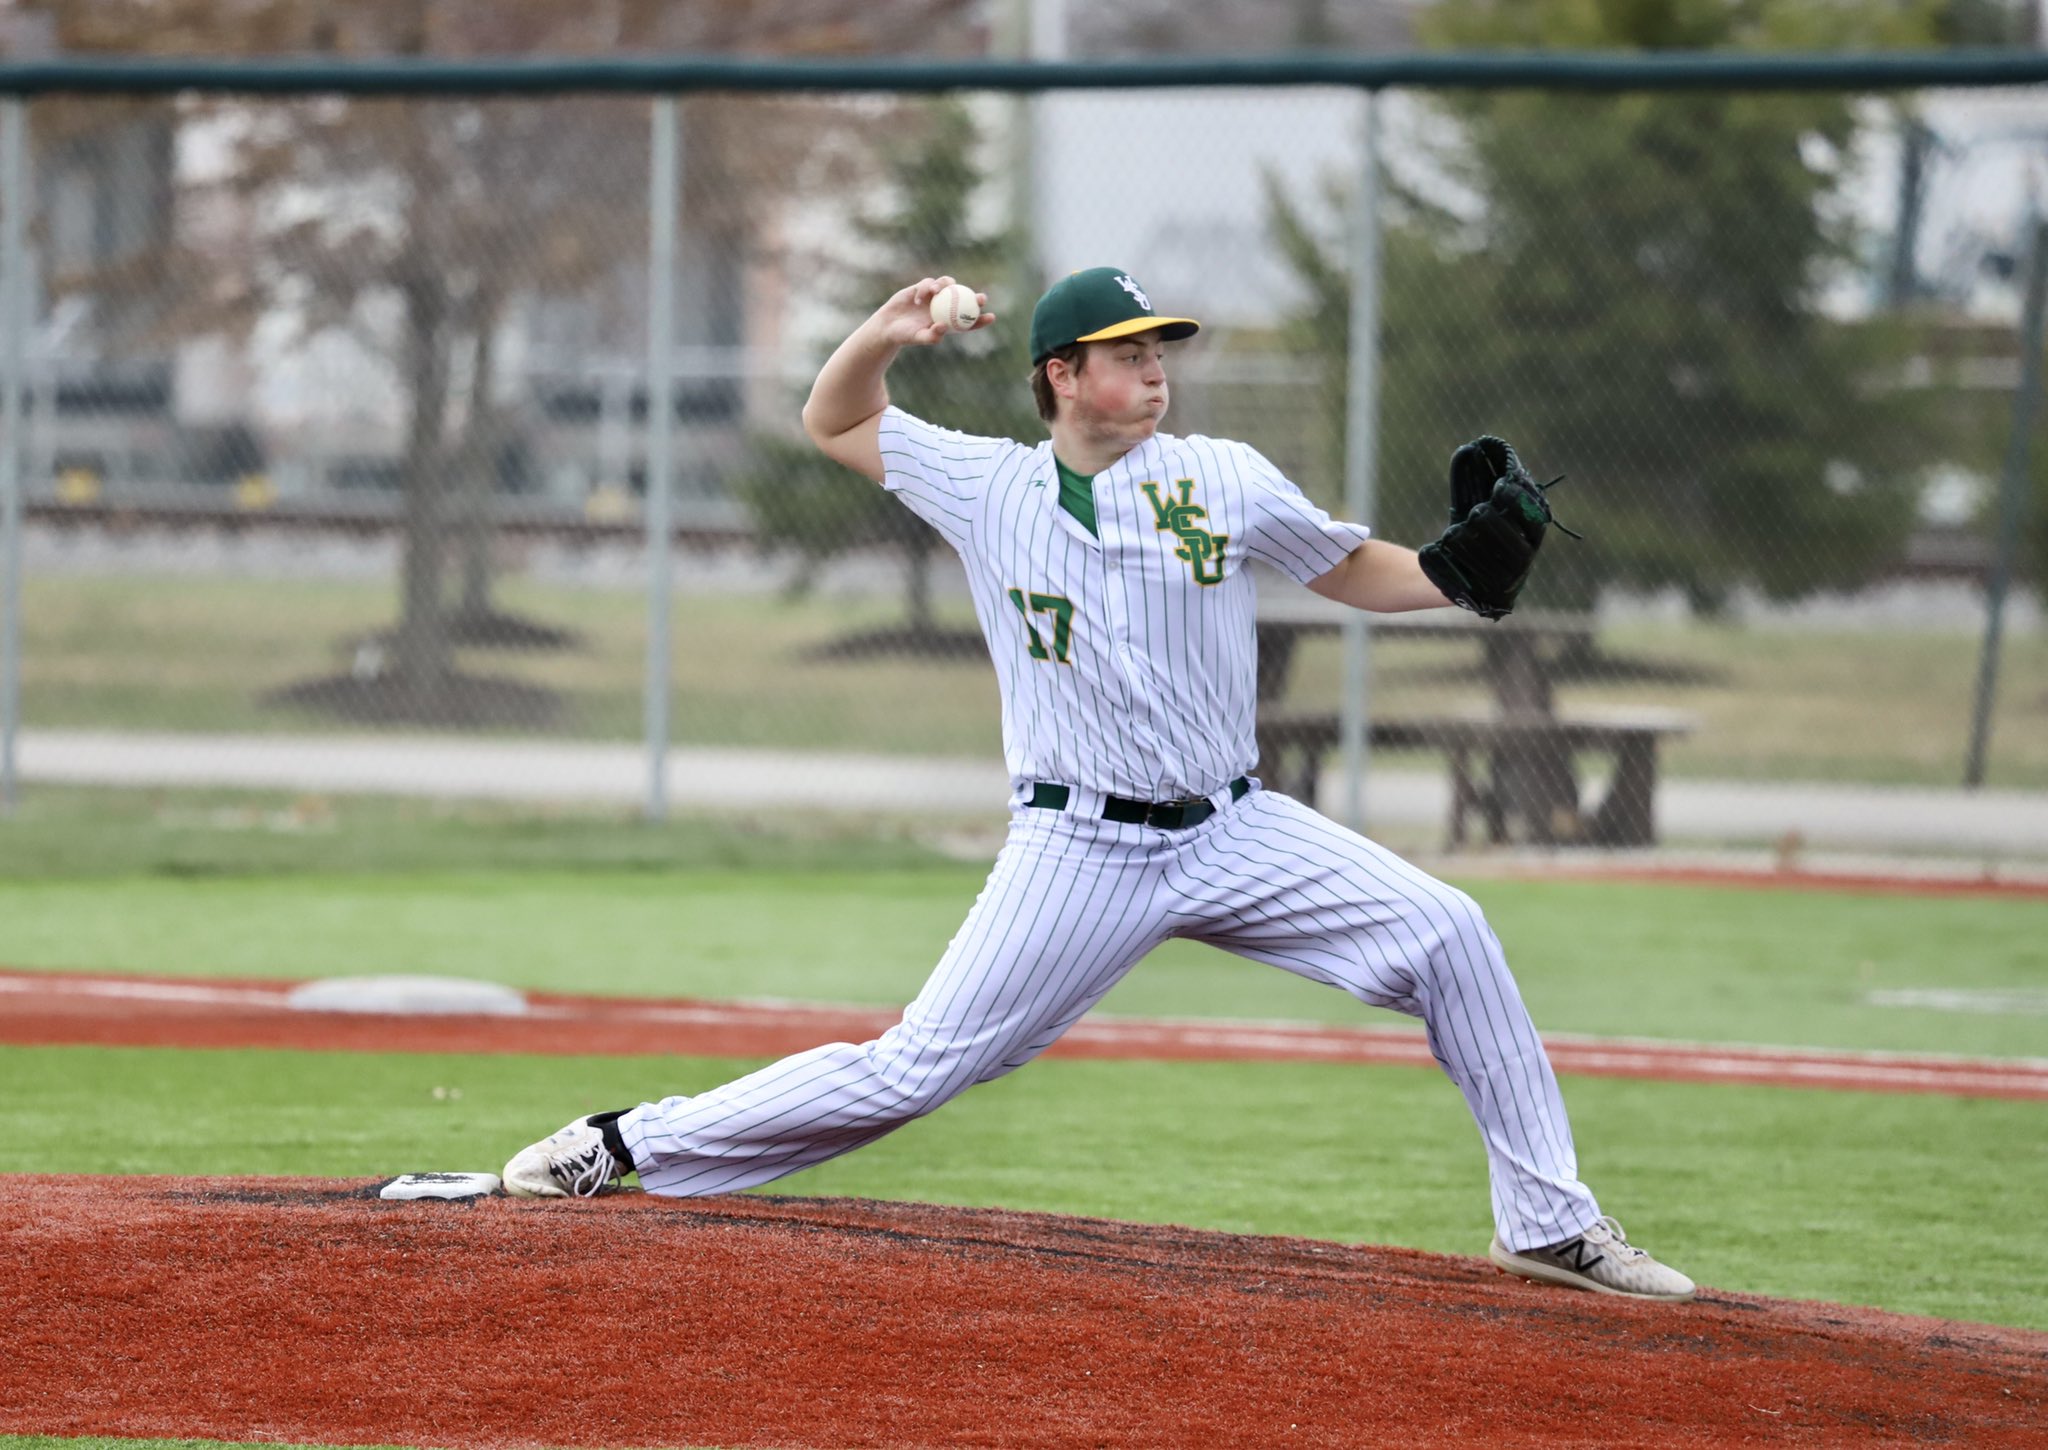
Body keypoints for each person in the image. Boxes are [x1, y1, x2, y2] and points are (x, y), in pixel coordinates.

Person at [503, 267, 1695, 1303]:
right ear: (1060, 375)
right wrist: (887, 330)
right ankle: (621, 1143)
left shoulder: (1221, 477)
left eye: (1159, 347)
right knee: (914, 1068)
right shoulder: (986, 486)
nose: (1155, 367)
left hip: (1235, 826)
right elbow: (833, 417)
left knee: (1449, 933)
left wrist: (1454, 577)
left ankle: (1547, 1224)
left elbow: (1347, 569)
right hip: (1077, 851)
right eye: (1127, 353)